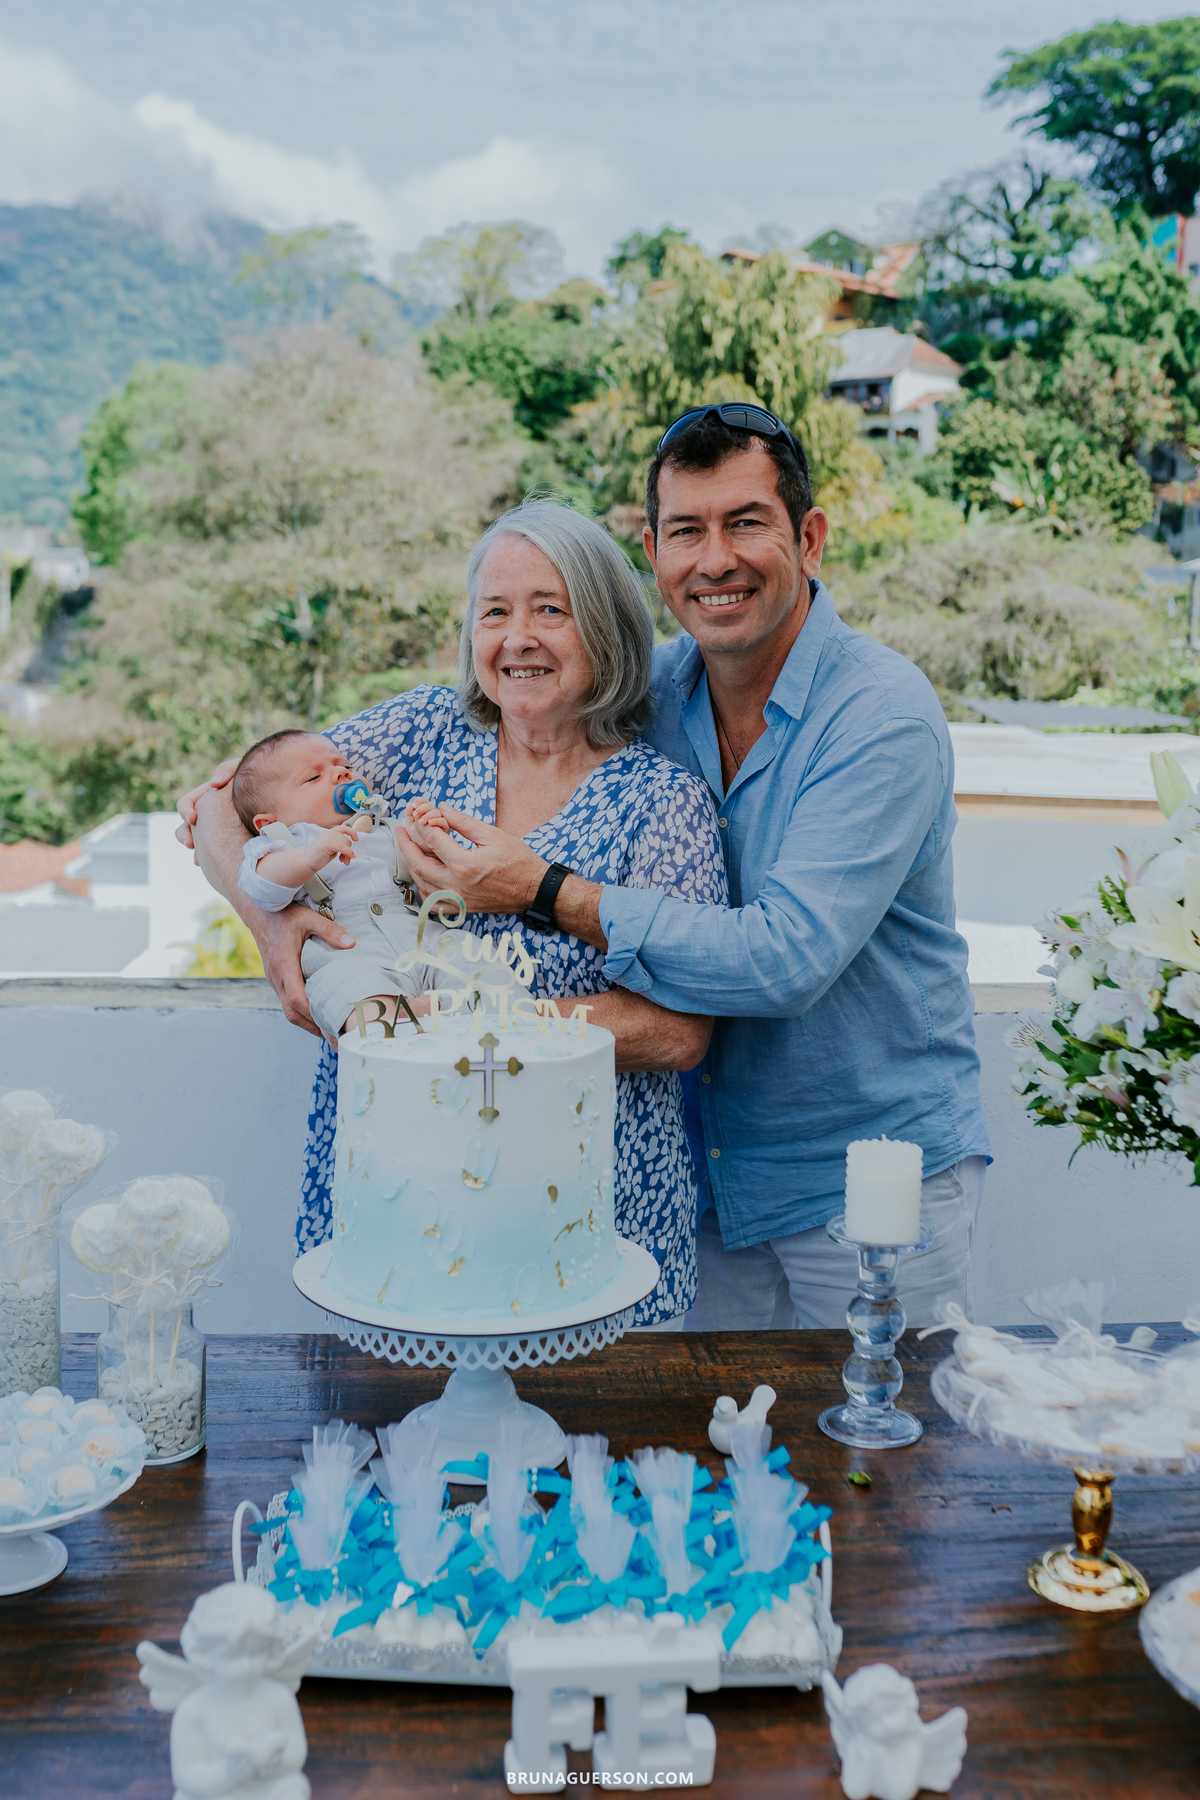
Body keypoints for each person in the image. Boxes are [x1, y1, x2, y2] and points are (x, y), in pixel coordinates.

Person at [395, 404, 992, 1329]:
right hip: (703, 1185)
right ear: (655, 554)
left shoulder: (881, 717)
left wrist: (544, 891)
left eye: (745, 523)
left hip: (865, 1183)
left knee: (881, 1452)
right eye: (686, 531)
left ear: (810, 538)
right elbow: (257, 788)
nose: (715, 560)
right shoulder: (647, 694)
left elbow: (785, 958)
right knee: (715, 1461)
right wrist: (283, 928)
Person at [178, 499, 727, 1327]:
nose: (518, 639)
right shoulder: (422, 730)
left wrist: (473, 1024)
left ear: (607, 628)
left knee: (582, 1447)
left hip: (580, 1202)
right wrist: (275, 927)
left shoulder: (665, 801)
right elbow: (224, 800)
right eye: (494, 613)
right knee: (386, 1438)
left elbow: (680, 1032)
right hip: (398, 1179)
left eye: (551, 609)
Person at [228, 728, 442, 1040]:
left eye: (345, 766)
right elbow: (261, 888)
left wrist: (430, 833)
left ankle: (483, 1011)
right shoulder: (284, 843)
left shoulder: (386, 828)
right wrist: (307, 857)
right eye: (313, 778)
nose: (340, 773)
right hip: (346, 951)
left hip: (418, 934)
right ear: (269, 822)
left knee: (473, 961)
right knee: (357, 999)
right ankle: (395, 1030)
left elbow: (432, 870)